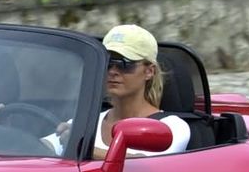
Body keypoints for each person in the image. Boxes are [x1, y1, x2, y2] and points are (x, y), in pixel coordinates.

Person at [33, 24, 189, 158]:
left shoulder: (173, 127)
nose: (113, 71)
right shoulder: (84, 122)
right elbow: (39, 148)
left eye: (124, 63)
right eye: (107, 63)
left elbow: (143, 164)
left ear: (149, 71)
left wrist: (80, 146)